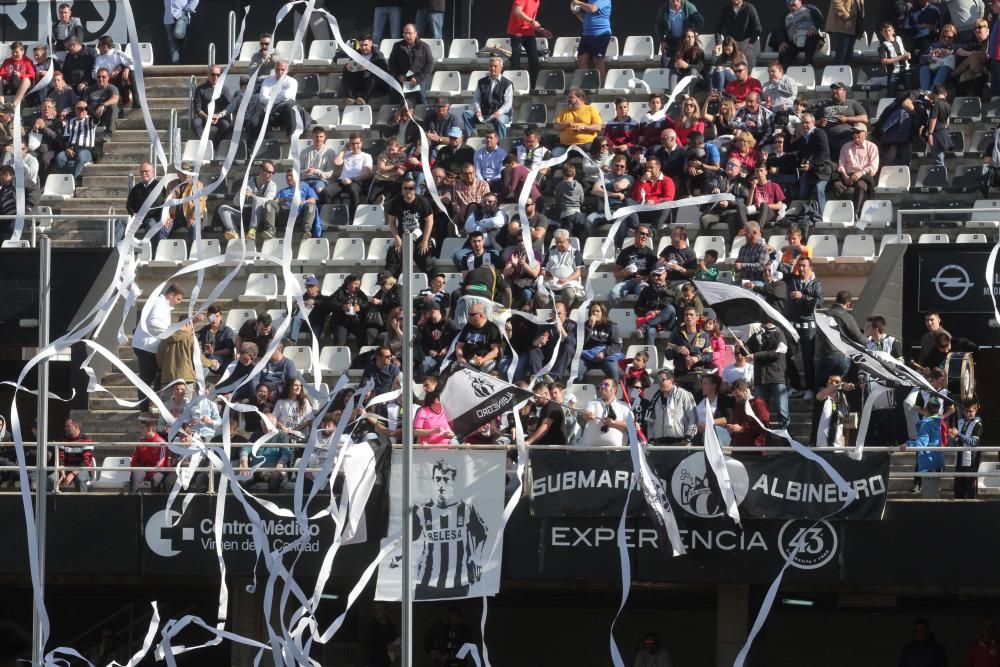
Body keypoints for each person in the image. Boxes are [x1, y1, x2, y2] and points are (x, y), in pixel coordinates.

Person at [132, 284, 183, 410]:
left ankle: (152, 403)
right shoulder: (159, 303)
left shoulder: (162, 305)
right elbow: (153, 322)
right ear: (171, 295)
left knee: (156, 376)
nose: (178, 303)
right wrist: (172, 330)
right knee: (146, 380)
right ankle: (144, 409)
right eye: (178, 299)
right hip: (146, 347)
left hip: (150, 347)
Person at [784, 256, 822, 397]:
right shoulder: (793, 281)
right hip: (793, 324)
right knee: (788, 356)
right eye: (799, 266)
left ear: (810, 267)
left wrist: (803, 297)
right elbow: (782, 272)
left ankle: (810, 388)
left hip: (808, 325)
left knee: (807, 359)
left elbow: (819, 302)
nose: (801, 268)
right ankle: (795, 385)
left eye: (804, 266)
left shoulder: (816, 284)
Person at [386, 177, 436, 274]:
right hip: (403, 237)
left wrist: (425, 240)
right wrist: (397, 238)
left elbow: (429, 221)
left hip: (420, 237)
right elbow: (391, 222)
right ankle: (390, 282)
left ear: (414, 189)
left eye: (411, 188)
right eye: (405, 188)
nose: (408, 190)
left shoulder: (423, 201)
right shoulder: (396, 202)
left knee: (426, 260)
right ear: (402, 189)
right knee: (394, 256)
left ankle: (431, 283)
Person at [218, 161, 276, 241]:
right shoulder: (248, 183)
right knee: (222, 208)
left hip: (261, 216)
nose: (271, 175)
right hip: (245, 214)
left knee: (258, 200)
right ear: (261, 171)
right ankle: (233, 231)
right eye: (269, 172)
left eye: (273, 173)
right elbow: (236, 203)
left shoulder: (272, 185)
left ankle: (252, 230)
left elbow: (268, 202)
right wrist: (241, 195)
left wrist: (253, 196)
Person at [747, 322, 789, 429]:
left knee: (782, 411)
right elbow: (746, 350)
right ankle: (764, 437)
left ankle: (788, 439)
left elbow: (777, 353)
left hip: (777, 378)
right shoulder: (757, 334)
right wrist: (741, 346)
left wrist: (756, 355)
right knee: (761, 412)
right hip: (761, 380)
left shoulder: (779, 334)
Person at [249, 59, 305, 140]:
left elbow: (287, 96)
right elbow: (263, 98)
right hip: (270, 112)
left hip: (285, 112)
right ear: (274, 70)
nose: (280, 72)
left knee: (289, 107)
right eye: (277, 69)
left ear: (287, 70)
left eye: (282, 69)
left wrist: (272, 95)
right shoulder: (267, 81)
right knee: (253, 121)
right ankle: (255, 146)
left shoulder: (292, 82)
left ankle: (292, 139)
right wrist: (280, 96)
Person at [814, 82, 869, 158]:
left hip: (848, 137)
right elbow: (812, 121)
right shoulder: (824, 106)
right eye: (833, 89)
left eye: (837, 89)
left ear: (844, 91)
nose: (834, 91)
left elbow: (864, 118)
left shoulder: (852, 103)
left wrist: (846, 119)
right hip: (828, 139)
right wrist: (818, 122)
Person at [324, 133, 372, 218]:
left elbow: (367, 174)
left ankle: (352, 217)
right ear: (349, 144)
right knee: (326, 192)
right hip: (341, 180)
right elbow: (337, 162)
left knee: (353, 191)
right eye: (352, 143)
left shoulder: (366, 156)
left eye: (357, 143)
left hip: (356, 181)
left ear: (361, 143)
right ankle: (330, 216)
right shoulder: (345, 154)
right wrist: (344, 149)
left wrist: (352, 180)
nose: (355, 145)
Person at [464, 58, 514, 141]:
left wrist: (499, 112)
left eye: (495, 66)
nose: (493, 68)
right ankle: (473, 138)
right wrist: (478, 111)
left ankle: (502, 143)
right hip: (485, 113)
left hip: (501, 114)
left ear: (501, 68)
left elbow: (508, 103)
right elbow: (476, 98)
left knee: (499, 120)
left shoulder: (507, 84)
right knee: (466, 114)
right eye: (491, 66)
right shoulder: (481, 82)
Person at [643, 370, 698, 444]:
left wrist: (688, 438)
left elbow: (693, 418)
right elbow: (650, 422)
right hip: (659, 444)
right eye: (658, 380)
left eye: (662, 380)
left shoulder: (683, 394)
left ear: (671, 380)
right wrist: (651, 438)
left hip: (680, 442)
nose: (659, 382)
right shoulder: (655, 399)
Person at [264, 169, 320, 240]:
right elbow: (275, 202)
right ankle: (270, 230)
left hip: (299, 215)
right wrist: (280, 201)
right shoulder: (282, 191)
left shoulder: (306, 188)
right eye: (287, 176)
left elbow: (313, 200)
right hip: (284, 214)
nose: (288, 178)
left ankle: (306, 231)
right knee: (269, 203)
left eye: (290, 176)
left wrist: (303, 202)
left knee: (311, 205)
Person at [610, 225, 657, 306]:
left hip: (642, 282)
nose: (644, 236)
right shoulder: (625, 252)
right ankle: (620, 316)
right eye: (642, 233)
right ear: (635, 234)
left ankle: (641, 316)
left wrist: (645, 278)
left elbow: (656, 273)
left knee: (645, 294)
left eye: (647, 235)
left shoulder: (650, 253)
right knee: (613, 294)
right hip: (627, 282)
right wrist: (624, 273)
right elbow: (615, 272)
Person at [388, 24, 435, 105]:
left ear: (415, 33)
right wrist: (399, 75)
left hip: (417, 78)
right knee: (395, 98)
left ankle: (422, 117)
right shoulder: (397, 46)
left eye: (409, 33)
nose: (407, 36)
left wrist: (418, 78)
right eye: (405, 33)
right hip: (402, 78)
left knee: (422, 99)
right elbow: (391, 63)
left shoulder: (424, 47)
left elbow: (430, 64)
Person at [536, 228, 585, 306]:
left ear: (568, 241)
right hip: (551, 283)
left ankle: (563, 312)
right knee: (540, 294)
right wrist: (545, 275)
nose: (558, 244)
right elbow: (543, 270)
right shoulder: (550, 253)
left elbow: (580, 271)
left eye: (561, 242)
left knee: (569, 294)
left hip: (568, 283)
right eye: (557, 242)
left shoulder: (575, 252)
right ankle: (548, 313)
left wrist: (567, 279)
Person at [162, 168, 207, 250]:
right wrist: (167, 216)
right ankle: (162, 251)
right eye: (184, 172)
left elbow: (201, 203)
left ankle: (193, 252)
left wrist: (193, 217)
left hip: (190, 217)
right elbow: (166, 202)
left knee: (194, 226)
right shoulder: (171, 184)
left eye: (189, 172)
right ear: (178, 174)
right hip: (174, 217)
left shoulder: (198, 185)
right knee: (163, 227)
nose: (187, 174)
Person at [569, 0, 613, 83]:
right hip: (586, 34)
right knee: (581, 59)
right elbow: (585, 19)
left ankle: (601, 86)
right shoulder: (590, 1)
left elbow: (592, 9)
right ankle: (585, 85)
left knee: (598, 60)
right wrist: (577, 13)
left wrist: (578, 3)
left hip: (600, 34)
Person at [579, 377, 631, 446]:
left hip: (616, 451)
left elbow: (630, 426)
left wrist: (613, 423)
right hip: (591, 449)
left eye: (606, 385)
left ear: (614, 389)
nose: (603, 386)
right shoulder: (592, 402)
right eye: (601, 385)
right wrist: (588, 415)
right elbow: (585, 416)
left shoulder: (624, 406)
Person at [338, 34, 388, 105]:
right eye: (361, 45)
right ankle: (351, 97)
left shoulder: (378, 54)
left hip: (374, 84)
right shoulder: (356, 53)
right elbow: (349, 65)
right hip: (361, 81)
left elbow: (384, 70)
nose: (364, 48)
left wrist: (368, 68)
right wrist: (347, 67)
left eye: (365, 45)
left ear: (371, 44)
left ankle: (364, 99)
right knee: (347, 72)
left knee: (374, 76)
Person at [578, 303, 622, 381]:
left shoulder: (611, 326)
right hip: (587, 355)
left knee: (614, 372)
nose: (595, 313)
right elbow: (580, 343)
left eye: (598, 311)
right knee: (576, 373)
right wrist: (589, 327)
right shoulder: (585, 326)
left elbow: (616, 345)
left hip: (604, 355)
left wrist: (604, 353)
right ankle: (586, 390)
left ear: (603, 313)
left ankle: (612, 392)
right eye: (593, 311)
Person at [54, 100, 97, 180]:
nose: (82, 110)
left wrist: (86, 107)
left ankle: (73, 180)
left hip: (86, 150)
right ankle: (67, 178)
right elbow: (65, 139)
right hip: (72, 150)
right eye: (79, 108)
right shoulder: (70, 121)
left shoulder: (91, 120)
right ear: (75, 110)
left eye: (84, 109)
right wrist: (67, 149)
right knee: (59, 157)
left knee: (81, 156)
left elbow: (96, 117)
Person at [508, 0, 548, 86]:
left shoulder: (537, 2)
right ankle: (514, 87)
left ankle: (533, 88)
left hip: (529, 33)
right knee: (515, 61)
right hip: (516, 33)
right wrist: (532, 21)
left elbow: (532, 20)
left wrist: (542, 30)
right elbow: (517, 11)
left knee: (535, 61)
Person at [775, 0, 824, 68]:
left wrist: (814, 27)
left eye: (793, 1)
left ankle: (807, 65)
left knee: (812, 37)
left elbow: (820, 19)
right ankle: (782, 72)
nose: (790, 3)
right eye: (788, 2)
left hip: (810, 38)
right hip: (794, 42)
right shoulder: (785, 15)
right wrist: (782, 42)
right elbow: (780, 30)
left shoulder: (810, 9)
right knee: (784, 50)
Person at [715, 0, 763, 69]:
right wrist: (718, 43)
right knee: (716, 53)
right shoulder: (726, 8)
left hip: (747, 41)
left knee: (749, 54)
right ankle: (721, 74)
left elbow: (758, 28)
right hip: (732, 43)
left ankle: (750, 77)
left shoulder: (749, 8)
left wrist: (751, 44)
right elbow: (718, 28)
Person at [951, 396, 983, 500]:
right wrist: (954, 437)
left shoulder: (978, 424)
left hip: (971, 462)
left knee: (970, 492)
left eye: (971, 411)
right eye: (966, 411)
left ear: (976, 409)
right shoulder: (960, 422)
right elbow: (959, 441)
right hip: (959, 461)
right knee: (958, 492)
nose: (968, 414)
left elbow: (973, 442)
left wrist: (958, 435)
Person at [93, 35, 136, 110]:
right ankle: (120, 104)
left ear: (105, 46)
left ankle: (136, 102)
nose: (98, 48)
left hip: (120, 80)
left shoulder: (118, 53)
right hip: (106, 81)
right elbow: (94, 74)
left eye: (99, 45)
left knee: (130, 74)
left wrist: (126, 67)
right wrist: (107, 76)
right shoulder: (98, 58)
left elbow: (134, 63)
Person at [455, 303, 502, 371]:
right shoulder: (468, 326)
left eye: (471, 315)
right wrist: (460, 358)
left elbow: (495, 351)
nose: (468, 317)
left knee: (486, 366)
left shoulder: (492, 328)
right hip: (467, 359)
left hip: (484, 360)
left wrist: (483, 360)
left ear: (481, 315)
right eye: (468, 313)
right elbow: (459, 345)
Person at [192, 66, 231, 147]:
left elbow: (229, 107)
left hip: (219, 117)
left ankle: (215, 144)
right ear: (208, 74)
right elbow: (197, 108)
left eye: (218, 75)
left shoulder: (225, 89)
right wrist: (206, 117)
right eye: (213, 74)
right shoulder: (200, 89)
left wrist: (218, 116)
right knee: (196, 124)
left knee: (226, 125)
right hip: (204, 116)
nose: (215, 77)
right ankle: (205, 145)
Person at [727, 378, 770, 448]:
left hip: (754, 450)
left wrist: (742, 429)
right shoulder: (738, 405)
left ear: (746, 391)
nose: (737, 399)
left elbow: (763, 426)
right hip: (737, 448)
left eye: (738, 396)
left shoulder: (758, 403)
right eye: (735, 397)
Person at [328, 275, 370, 346]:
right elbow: (331, 303)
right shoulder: (340, 292)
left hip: (356, 321)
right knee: (339, 341)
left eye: (359, 284)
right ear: (348, 284)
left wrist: (359, 308)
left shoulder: (361, 294)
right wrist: (342, 307)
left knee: (363, 337)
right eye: (355, 284)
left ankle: (361, 355)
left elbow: (366, 305)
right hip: (341, 322)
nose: (357, 286)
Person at [55, 418, 95, 492]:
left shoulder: (87, 440)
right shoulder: (63, 439)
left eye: (68, 426)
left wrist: (72, 474)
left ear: (76, 427)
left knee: (80, 480)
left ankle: (81, 502)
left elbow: (86, 462)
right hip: (66, 468)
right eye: (65, 426)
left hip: (82, 469)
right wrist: (62, 471)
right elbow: (60, 458)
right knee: (51, 480)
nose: (65, 428)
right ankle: (52, 502)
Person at [82, 67, 120, 136]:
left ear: (108, 78)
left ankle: (109, 133)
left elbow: (115, 98)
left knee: (113, 106)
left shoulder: (112, 88)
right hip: (92, 115)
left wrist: (103, 105)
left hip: (105, 116)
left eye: (103, 77)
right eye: (98, 77)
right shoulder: (89, 89)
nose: (101, 79)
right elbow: (83, 103)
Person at [826, 0, 864, 66]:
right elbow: (836, 3)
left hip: (854, 27)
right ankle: (838, 75)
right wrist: (846, 17)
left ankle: (845, 75)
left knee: (848, 57)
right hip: (842, 26)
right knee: (841, 56)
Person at [363, 603, 399, 667]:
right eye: (375, 610)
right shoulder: (371, 627)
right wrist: (386, 647)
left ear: (386, 610)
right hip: (373, 663)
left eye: (379, 610)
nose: (376, 612)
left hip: (386, 663)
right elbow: (367, 645)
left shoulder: (391, 627)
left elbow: (396, 643)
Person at [0, 41, 35, 107]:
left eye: (16, 52)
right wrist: (8, 74)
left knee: (26, 80)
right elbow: (1, 73)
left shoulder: (28, 61)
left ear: (22, 51)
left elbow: (32, 75)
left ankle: (13, 104)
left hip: (22, 86)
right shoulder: (7, 61)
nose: (14, 54)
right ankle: (1, 102)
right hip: (9, 85)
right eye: (13, 52)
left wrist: (20, 75)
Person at [164, 0, 199, 64]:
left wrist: (188, 8)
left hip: (182, 14)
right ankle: (176, 64)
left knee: (178, 33)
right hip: (168, 16)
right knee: (172, 43)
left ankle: (183, 37)